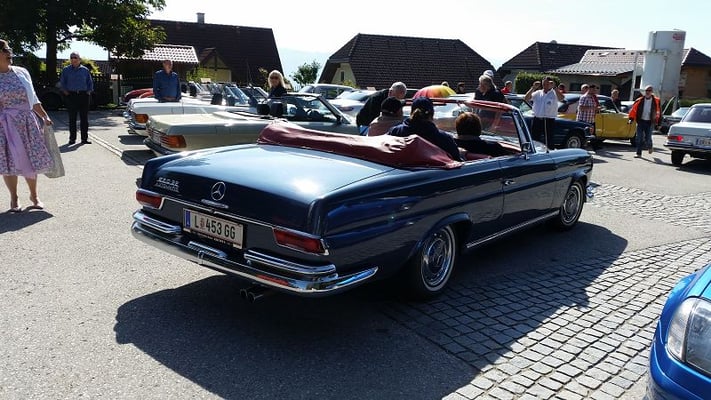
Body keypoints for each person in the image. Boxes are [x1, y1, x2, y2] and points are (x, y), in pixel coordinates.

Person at [0, 39, 54, 212]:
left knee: (31, 159)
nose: (9, 53)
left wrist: (44, 116)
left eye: (8, 49)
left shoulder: (22, 72)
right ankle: (14, 198)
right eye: (5, 50)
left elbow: (33, 98)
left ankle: (34, 195)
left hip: (27, 123)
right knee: (9, 162)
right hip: (5, 125)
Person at [387, 97, 463, 161]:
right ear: (432, 114)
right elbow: (457, 162)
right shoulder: (444, 139)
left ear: (411, 112)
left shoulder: (395, 132)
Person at [59, 51, 94, 145]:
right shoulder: (66, 70)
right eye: (71, 57)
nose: (73, 59)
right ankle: (72, 139)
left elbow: (89, 82)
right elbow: (62, 83)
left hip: (83, 95)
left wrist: (88, 91)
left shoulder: (85, 70)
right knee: (72, 118)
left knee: (84, 119)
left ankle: (84, 139)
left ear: (79, 59)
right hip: (71, 96)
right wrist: (66, 92)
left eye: (75, 57)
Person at [524, 76, 565, 147]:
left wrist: (555, 87)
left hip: (548, 120)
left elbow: (561, 98)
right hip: (537, 119)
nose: (544, 86)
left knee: (548, 140)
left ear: (551, 84)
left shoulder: (554, 93)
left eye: (547, 84)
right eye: (543, 84)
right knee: (534, 138)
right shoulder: (538, 93)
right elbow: (526, 98)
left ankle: (549, 151)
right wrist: (533, 88)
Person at [628, 85, 661, 158]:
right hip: (640, 121)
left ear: (652, 92)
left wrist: (659, 123)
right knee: (639, 138)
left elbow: (659, 112)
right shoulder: (639, 100)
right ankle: (638, 153)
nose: (648, 92)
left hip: (650, 122)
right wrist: (631, 119)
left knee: (648, 138)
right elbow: (633, 110)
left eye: (649, 91)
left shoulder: (656, 101)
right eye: (646, 91)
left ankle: (650, 146)